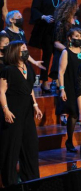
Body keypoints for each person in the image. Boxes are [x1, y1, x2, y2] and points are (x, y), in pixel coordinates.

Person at [0, 41, 43, 187]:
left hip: (27, 112)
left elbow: (29, 88)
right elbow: (1, 91)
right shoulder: (8, 70)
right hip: (13, 112)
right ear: (14, 52)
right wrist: (5, 110)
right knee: (11, 147)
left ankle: (32, 181)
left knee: (31, 145)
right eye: (22, 49)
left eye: (26, 48)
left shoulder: (28, 68)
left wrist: (35, 105)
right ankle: (9, 183)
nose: (26, 51)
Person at [29, 0, 62, 93]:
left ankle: (57, 80)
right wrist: (44, 17)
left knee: (58, 54)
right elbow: (35, 8)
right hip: (46, 28)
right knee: (47, 53)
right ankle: (44, 81)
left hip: (57, 28)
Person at [57, 27, 81, 152]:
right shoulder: (66, 52)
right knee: (74, 113)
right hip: (70, 86)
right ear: (70, 38)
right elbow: (61, 72)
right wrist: (62, 89)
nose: (79, 39)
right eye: (76, 36)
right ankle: (69, 141)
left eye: (80, 36)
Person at [49, 0, 81, 82]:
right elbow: (56, 43)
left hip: (75, 56)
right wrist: (68, 52)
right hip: (63, 55)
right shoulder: (61, 23)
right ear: (70, 8)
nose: (78, 7)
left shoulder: (76, 22)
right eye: (76, 6)